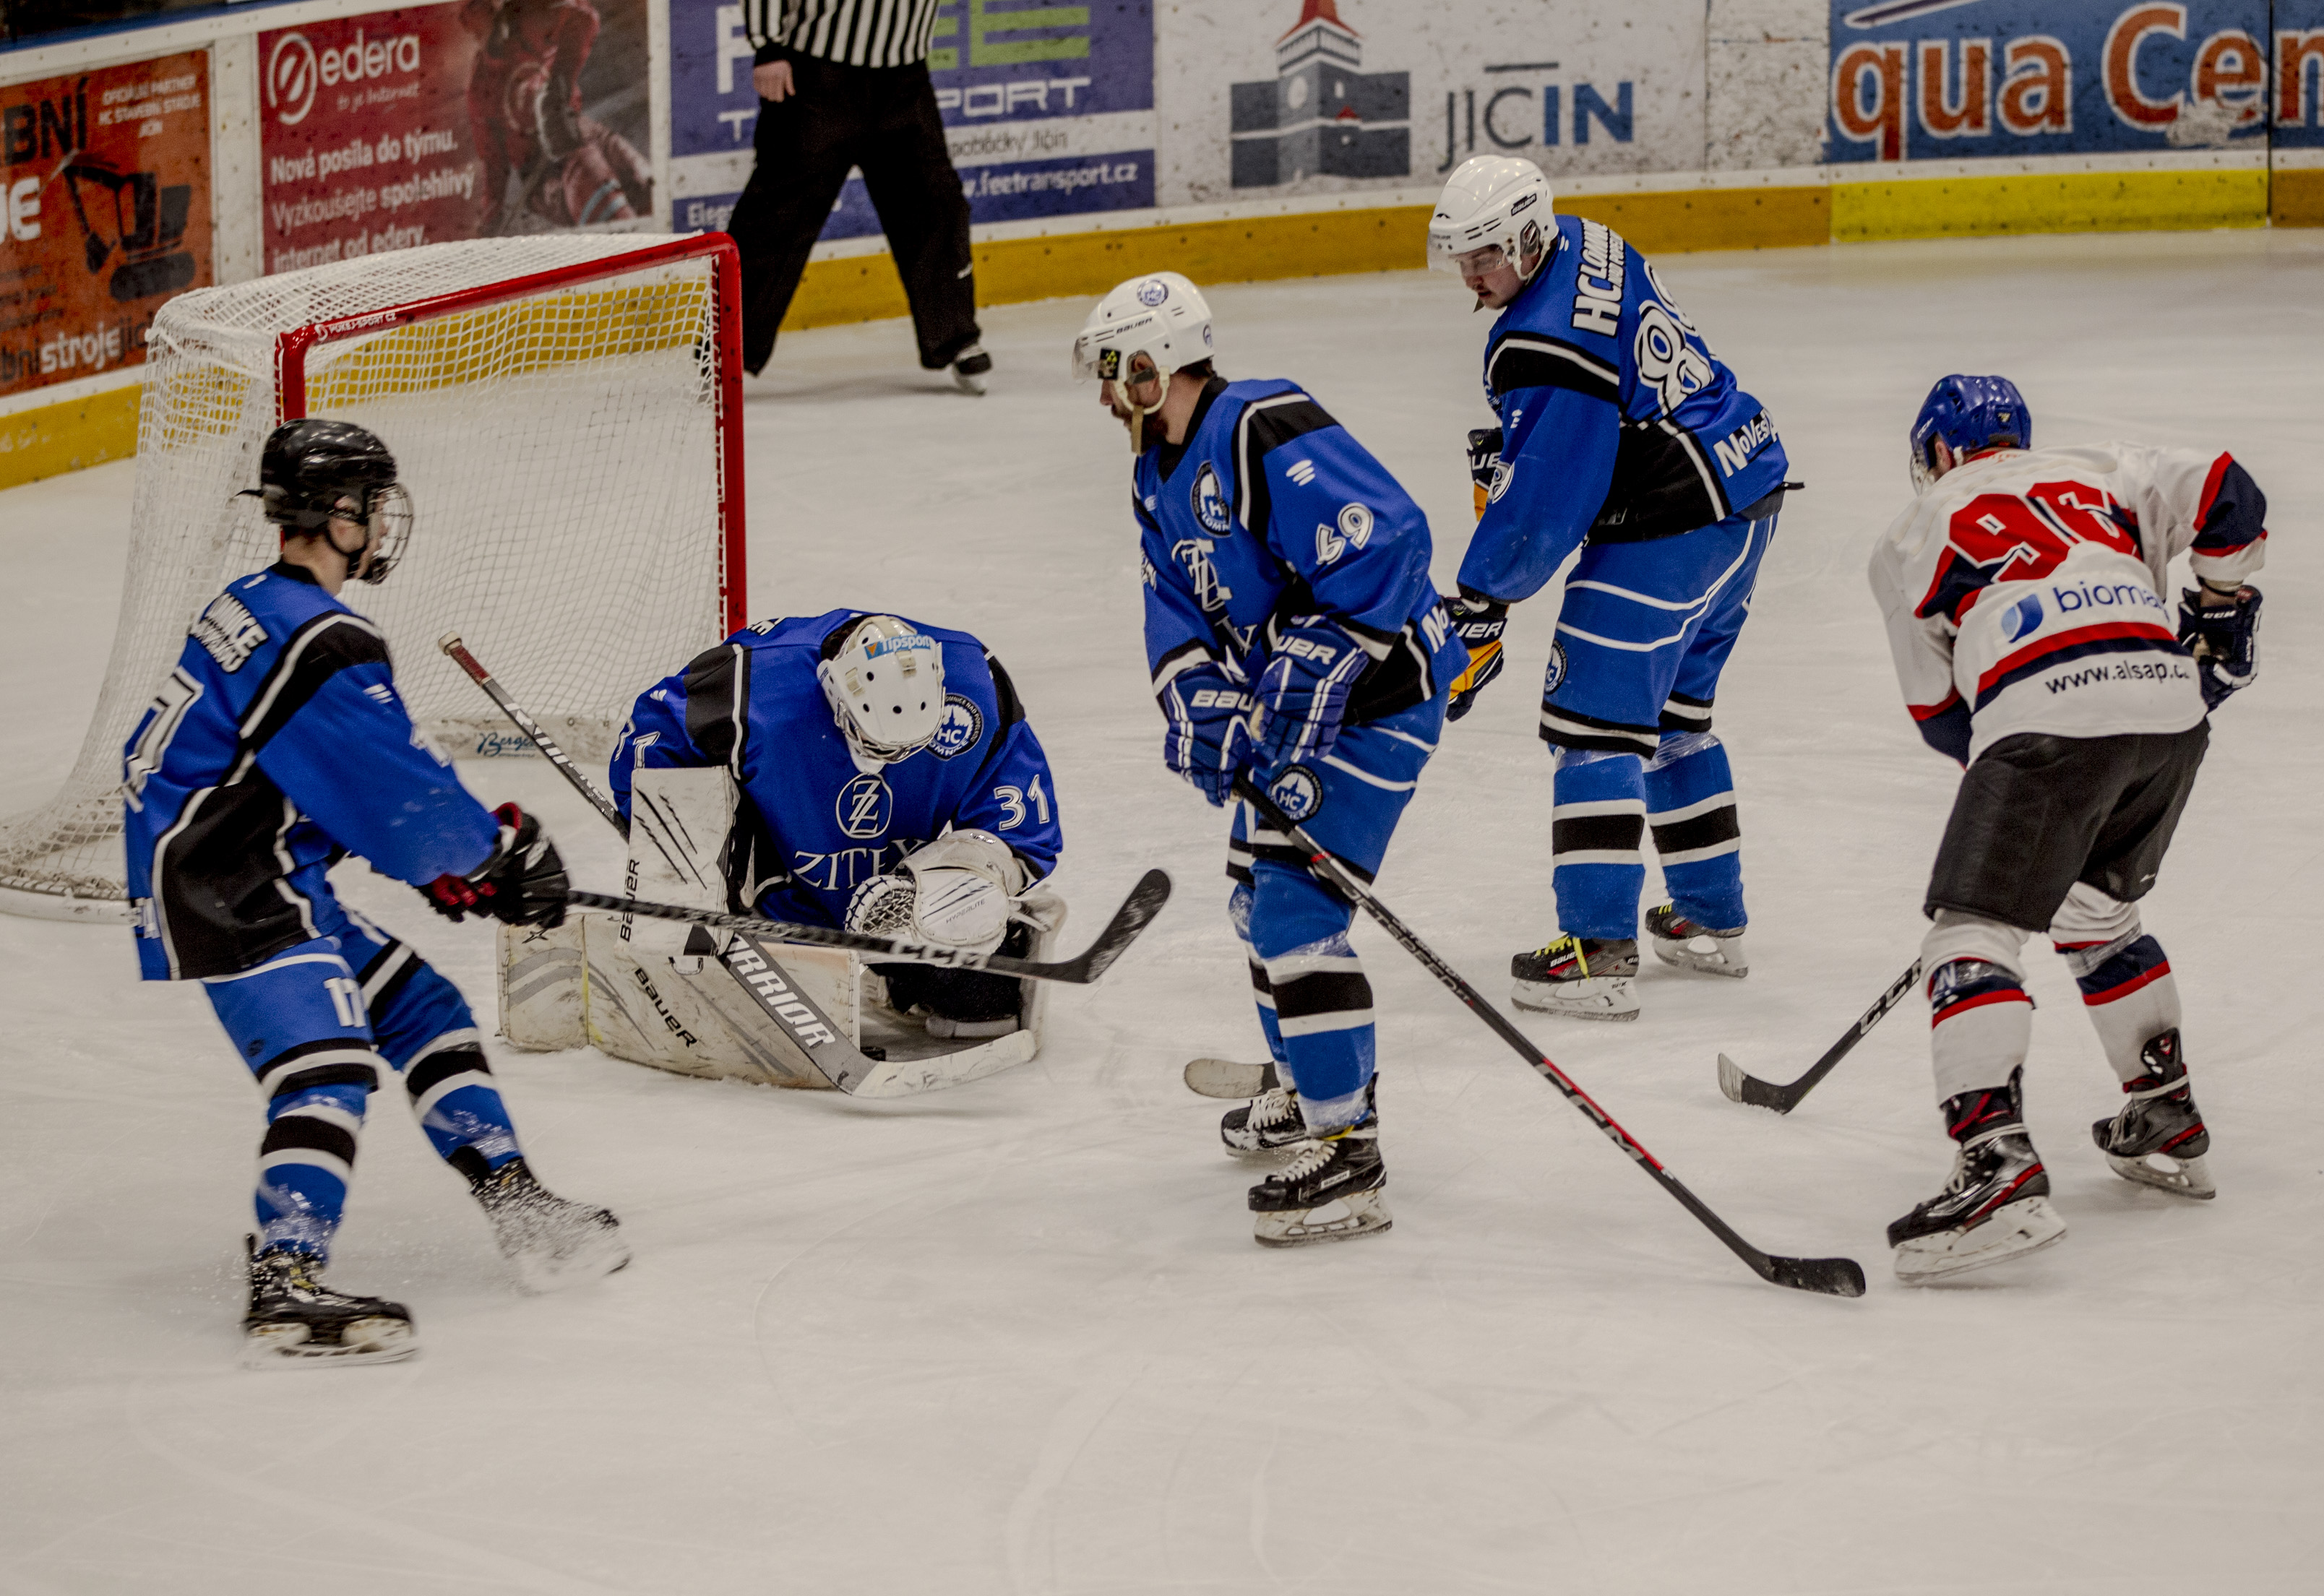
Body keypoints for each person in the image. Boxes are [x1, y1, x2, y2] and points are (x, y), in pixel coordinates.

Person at [121, 419, 628, 1368]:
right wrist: (488, 859)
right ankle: (285, 1282)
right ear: (339, 512)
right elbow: (388, 784)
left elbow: (298, 773)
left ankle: (515, 1199)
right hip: (234, 882)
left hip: (239, 863)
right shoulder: (322, 634)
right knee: (329, 1066)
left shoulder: (257, 602)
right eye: (373, 503)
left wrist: (449, 865)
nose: (384, 522)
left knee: (421, 1007)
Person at [1070, 271, 1468, 1248]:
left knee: (1296, 906)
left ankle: (1349, 1151)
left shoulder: (1259, 423)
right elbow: (1175, 606)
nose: (1102, 393)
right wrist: (1201, 697)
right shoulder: (1151, 473)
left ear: (1149, 363)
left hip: (1384, 699)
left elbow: (1386, 539)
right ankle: (1304, 1085)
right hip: (1302, 712)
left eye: (1112, 371)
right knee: (1256, 894)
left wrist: (1310, 668)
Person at [1867, 374, 2267, 1284]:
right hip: (2169, 709)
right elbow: (2229, 492)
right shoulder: (2103, 470)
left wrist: (2026, 792)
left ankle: (1993, 1167)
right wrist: (2219, 607)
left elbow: (1939, 716)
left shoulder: (1905, 535)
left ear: (1933, 454)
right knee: (2096, 918)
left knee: (1970, 935)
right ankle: (2163, 1107)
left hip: (2044, 711)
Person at [1426, 155, 1792, 1023]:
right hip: (1746, 492)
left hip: (1669, 530)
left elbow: (1548, 501)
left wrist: (1481, 599)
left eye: (1485, 254)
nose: (1472, 275)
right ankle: (1709, 915)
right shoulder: (1587, 240)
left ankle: (1594, 951)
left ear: (1523, 236)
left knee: (1592, 730)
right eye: (1461, 257)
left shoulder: (1539, 342)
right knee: (1674, 721)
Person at [610, 611, 1061, 1038]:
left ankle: (892, 981)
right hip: (769, 902)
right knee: (717, 997)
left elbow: (1021, 828)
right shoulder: (753, 680)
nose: (890, 763)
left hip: (891, 908)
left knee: (986, 1000)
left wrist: (972, 876)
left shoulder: (976, 682)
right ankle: (749, 945)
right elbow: (646, 745)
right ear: (832, 689)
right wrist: (682, 857)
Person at [731, 0, 989, 391]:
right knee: (776, 217)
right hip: (817, 73)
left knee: (936, 205)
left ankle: (956, 338)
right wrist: (768, 46)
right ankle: (724, 351)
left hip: (905, 77)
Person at [462, 0, 653, 234]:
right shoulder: (480, 86)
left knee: (647, 184)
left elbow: (584, 17)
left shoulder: (526, 21)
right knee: (593, 184)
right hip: (544, 175)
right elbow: (494, 166)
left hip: (581, 131)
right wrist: (489, 224)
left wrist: (558, 89)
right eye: (471, 9)